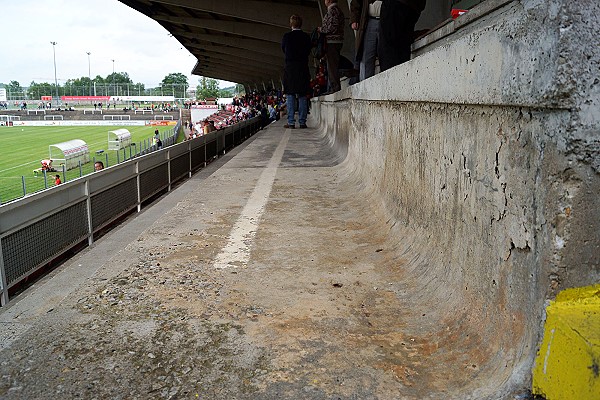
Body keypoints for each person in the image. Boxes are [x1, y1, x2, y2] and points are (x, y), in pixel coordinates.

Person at [281, 14, 312, 129]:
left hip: (290, 68)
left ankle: (291, 122)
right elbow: (309, 50)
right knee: (303, 95)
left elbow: (283, 49)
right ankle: (303, 122)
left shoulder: (287, 37)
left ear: (291, 24)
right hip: (303, 67)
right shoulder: (306, 37)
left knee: (290, 95)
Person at [378, 0, 426, 71]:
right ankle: (401, 77)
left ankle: (392, 79)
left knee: (388, 51)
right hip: (413, 6)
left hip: (396, 4)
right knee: (403, 48)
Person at [351, 0, 382, 81]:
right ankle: (365, 85)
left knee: (386, 55)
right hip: (369, 20)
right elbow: (355, 3)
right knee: (367, 56)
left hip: (386, 19)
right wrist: (354, 19)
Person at [318, 0, 345, 93]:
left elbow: (331, 27)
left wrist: (320, 29)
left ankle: (335, 88)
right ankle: (331, 86)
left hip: (333, 41)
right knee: (331, 65)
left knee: (332, 65)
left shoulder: (333, 10)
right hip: (334, 41)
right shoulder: (335, 10)